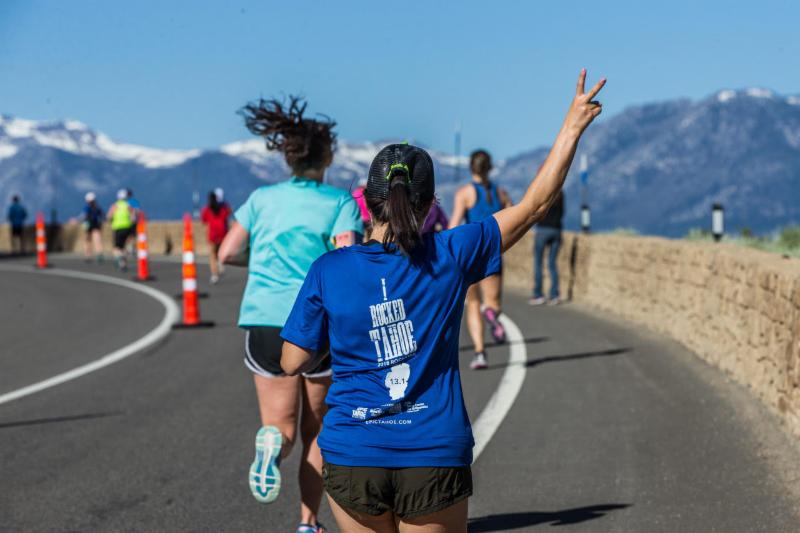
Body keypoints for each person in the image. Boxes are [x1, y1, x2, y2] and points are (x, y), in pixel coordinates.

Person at [280, 69, 605, 532]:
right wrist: (572, 126)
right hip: (433, 450)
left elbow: (293, 361)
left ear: (367, 202)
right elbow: (535, 205)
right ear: (431, 203)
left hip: (354, 451)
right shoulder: (452, 253)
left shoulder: (328, 270)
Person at [217, 96, 362, 533]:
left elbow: (227, 251)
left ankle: (270, 446)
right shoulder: (340, 202)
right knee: (316, 431)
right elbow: (346, 257)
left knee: (278, 425)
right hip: (316, 326)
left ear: (287, 157)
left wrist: (261, 259)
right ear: (328, 156)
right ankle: (307, 522)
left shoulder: (261, 199)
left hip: (262, 321)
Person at [449, 150, 513, 370]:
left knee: (473, 303)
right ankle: (491, 314)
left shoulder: (465, 193)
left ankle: (480, 353)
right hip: (493, 253)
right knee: (493, 303)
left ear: (471, 168)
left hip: (470, 255)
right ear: (490, 167)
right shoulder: (501, 193)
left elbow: (454, 225)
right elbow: (514, 219)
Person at [530, 191, 564, 305]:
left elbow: (536, 211)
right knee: (552, 263)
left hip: (543, 230)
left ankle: (538, 294)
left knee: (538, 263)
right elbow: (563, 212)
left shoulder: (544, 192)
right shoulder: (561, 194)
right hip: (556, 230)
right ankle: (555, 295)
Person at [200, 190, 232, 284]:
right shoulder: (223, 207)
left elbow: (203, 220)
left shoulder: (207, 209)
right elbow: (229, 212)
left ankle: (214, 275)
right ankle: (221, 264)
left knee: (212, 255)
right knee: (221, 251)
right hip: (223, 233)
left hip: (213, 234)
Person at [107, 189, 135, 271]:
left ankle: (119, 259)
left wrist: (112, 221)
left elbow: (109, 216)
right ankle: (124, 262)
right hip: (127, 227)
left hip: (118, 228)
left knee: (117, 247)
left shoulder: (115, 205)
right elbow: (133, 217)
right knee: (124, 246)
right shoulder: (128, 205)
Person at [81, 192, 104, 262]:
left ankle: (88, 255)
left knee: (87, 240)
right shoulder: (97, 207)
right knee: (97, 239)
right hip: (96, 224)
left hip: (88, 224)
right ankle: (99, 253)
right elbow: (102, 215)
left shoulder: (87, 207)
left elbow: (84, 216)